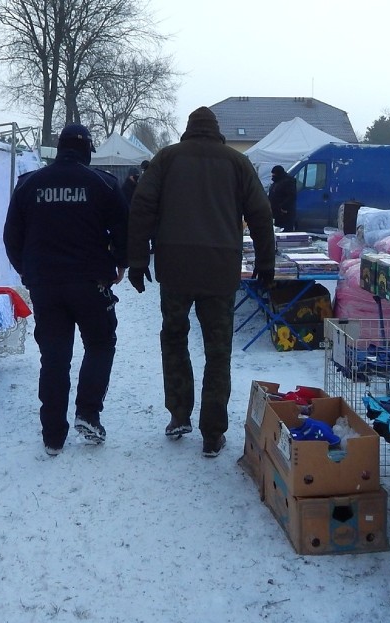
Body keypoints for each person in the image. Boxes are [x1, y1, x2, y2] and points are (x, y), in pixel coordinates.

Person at [127, 106, 275, 458]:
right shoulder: (236, 163)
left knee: (175, 338)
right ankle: (212, 433)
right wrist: (266, 263)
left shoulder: (167, 159)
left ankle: (179, 414)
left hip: (175, 268)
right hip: (219, 270)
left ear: (188, 130)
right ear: (217, 131)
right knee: (218, 351)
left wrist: (135, 260)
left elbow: (141, 207)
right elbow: (260, 213)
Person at [3, 123, 128, 456]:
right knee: (101, 343)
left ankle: (53, 435)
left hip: (45, 284)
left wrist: (27, 271)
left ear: (59, 148)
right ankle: (88, 412)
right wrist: (120, 263)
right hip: (90, 283)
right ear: (87, 149)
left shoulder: (29, 184)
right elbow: (122, 229)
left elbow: (12, 237)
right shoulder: (103, 183)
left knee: (54, 358)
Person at [267, 165, 297, 231]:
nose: (273, 176)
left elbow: (291, 196)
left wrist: (282, 207)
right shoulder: (277, 181)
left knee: (285, 231)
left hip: (284, 213)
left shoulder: (288, 181)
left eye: (274, 174)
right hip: (276, 212)